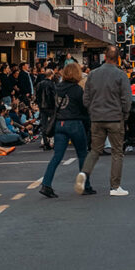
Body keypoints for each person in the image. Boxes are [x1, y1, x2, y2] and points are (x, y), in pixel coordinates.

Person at [75, 46, 132, 197]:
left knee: (95, 150)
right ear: (118, 58)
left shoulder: (92, 74)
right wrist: (124, 115)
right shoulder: (121, 75)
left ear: (104, 56)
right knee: (117, 152)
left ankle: (84, 173)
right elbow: (127, 99)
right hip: (115, 117)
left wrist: (92, 110)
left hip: (96, 117)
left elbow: (86, 98)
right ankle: (115, 186)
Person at [40, 62, 94, 198]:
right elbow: (84, 109)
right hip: (75, 123)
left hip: (60, 123)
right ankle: (85, 185)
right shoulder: (77, 90)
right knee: (82, 154)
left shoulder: (57, 88)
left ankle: (46, 184)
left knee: (57, 156)